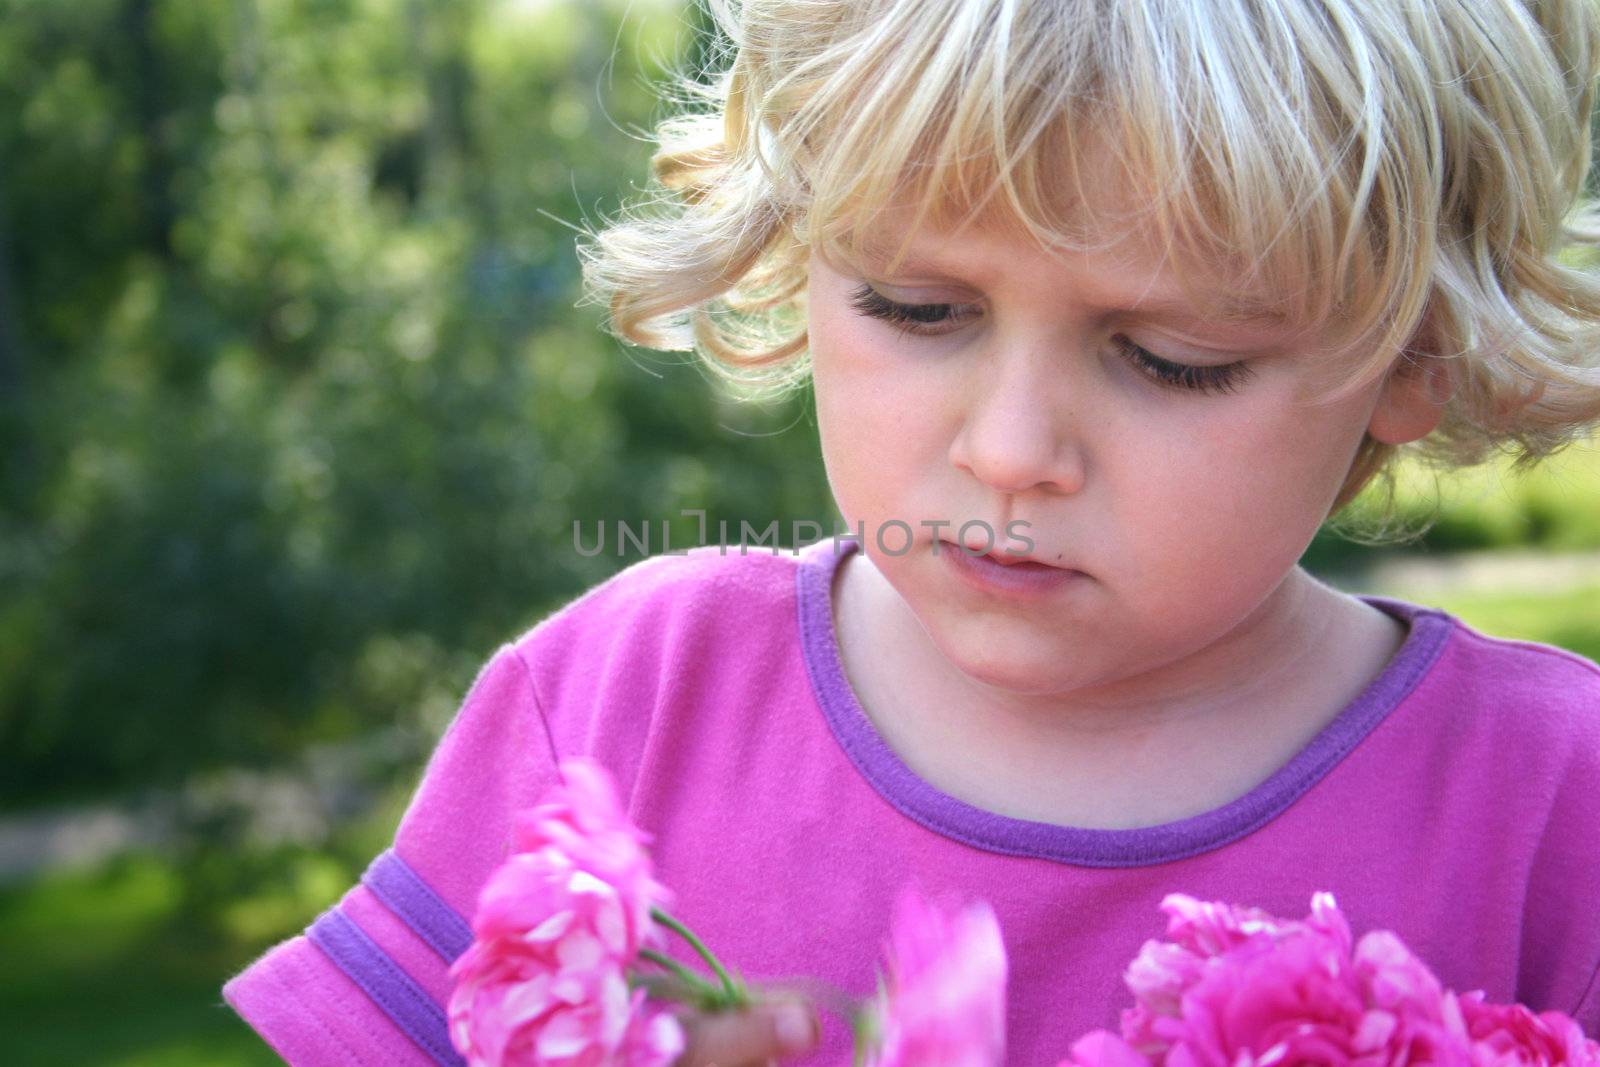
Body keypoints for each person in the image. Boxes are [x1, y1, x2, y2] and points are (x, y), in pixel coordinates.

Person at [223, 0, 1600, 1062]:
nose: (1008, 450)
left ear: (1418, 348)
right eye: (915, 308)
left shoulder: (1552, 808)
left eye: (1174, 357)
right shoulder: (626, 702)